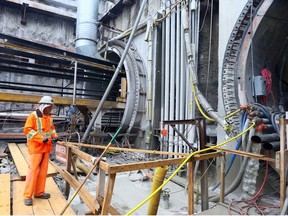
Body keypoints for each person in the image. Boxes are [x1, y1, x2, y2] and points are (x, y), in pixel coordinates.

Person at [23, 96, 59, 206]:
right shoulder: (33, 116)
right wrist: (40, 138)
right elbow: (27, 130)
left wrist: (55, 135)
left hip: (46, 148)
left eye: (51, 107)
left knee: (43, 171)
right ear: (44, 106)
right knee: (33, 171)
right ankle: (27, 195)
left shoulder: (49, 117)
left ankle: (39, 192)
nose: (50, 109)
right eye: (49, 107)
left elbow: (52, 128)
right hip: (36, 148)